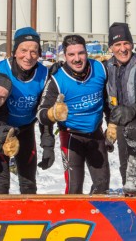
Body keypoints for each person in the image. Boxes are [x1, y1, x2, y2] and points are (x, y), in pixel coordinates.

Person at [0, 27, 54, 194]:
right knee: (2, 179)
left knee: (28, 181)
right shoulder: (0, 70)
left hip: (25, 126)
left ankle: (30, 218)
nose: (28, 56)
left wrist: (48, 144)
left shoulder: (44, 74)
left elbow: (45, 111)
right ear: (14, 52)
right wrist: (0, 134)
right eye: (23, 50)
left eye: (34, 52)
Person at [37, 34, 110, 194]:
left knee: (102, 187)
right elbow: (41, 114)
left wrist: (112, 125)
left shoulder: (100, 69)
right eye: (71, 54)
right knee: (74, 189)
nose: (77, 59)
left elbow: (109, 100)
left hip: (96, 135)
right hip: (71, 138)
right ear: (65, 56)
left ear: (86, 53)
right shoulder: (57, 79)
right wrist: (52, 114)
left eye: (81, 53)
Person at [104, 22, 136, 194]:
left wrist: (133, 110)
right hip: (120, 122)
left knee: (133, 168)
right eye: (117, 44)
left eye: (126, 43)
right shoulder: (108, 67)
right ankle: (129, 196)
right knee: (124, 164)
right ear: (111, 47)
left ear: (132, 45)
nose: (123, 49)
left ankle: (135, 192)